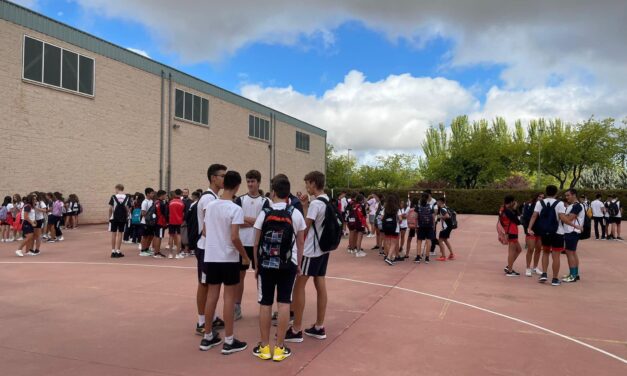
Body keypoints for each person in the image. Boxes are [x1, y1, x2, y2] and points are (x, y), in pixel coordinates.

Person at [252, 176, 306, 362]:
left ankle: (264, 347)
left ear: (273, 192)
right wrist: (298, 264)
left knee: (265, 304)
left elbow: (256, 242)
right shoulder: (295, 213)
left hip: (266, 265)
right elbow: (300, 242)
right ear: (288, 193)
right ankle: (280, 348)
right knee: (284, 303)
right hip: (287, 264)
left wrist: (257, 264)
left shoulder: (264, 212)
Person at [199, 170, 249, 355]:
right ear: (237, 186)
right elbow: (235, 237)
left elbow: (204, 231)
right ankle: (229, 340)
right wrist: (245, 255)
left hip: (211, 256)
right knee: (229, 297)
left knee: (212, 295)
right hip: (228, 258)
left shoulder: (211, 205)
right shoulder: (235, 208)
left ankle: (208, 336)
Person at [286, 171, 330, 343]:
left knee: (298, 286)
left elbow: (304, 227)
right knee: (320, 284)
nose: (306, 187)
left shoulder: (316, 204)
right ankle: (319, 326)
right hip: (323, 250)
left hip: (311, 250)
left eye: (307, 184)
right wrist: (305, 206)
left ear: (313, 183)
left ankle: (296, 329)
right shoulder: (327, 200)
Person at [195, 164, 227, 337]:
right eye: (222, 175)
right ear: (213, 178)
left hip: (212, 249)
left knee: (212, 284)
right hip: (206, 249)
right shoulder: (208, 199)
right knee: (204, 285)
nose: (224, 179)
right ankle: (201, 322)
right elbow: (208, 228)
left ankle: (211, 317)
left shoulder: (215, 197)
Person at [234, 170, 270, 321]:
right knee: (239, 277)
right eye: (248, 181)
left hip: (258, 244)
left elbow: (265, 223)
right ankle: (237, 307)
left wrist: (246, 219)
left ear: (259, 182)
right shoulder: (240, 200)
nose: (250, 184)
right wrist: (254, 221)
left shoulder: (265, 201)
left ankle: (263, 307)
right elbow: (236, 223)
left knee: (260, 276)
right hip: (242, 245)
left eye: (253, 181)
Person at [528, 185, 566, 286]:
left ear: (546, 192)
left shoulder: (540, 203)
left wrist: (529, 228)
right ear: (556, 193)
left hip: (544, 231)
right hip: (557, 232)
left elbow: (534, 215)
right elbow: (562, 217)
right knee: (556, 255)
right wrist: (573, 224)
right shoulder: (560, 203)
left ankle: (544, 274)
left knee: (545, 252)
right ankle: (554, 279)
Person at [561, 189, 584, 283]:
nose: (567, 197)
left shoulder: (577, 206)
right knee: (573, 253)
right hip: (572, 231)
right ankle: (575, 274)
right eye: (566, 196)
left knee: (569, 253)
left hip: (572, 231)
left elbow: (569, 218)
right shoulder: (573, 205)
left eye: (568, 195)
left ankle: (573, 275)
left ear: (574, 195)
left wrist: (561, 216)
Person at [499, 195, 522, 276]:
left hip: (510, 231)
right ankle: (510, 271)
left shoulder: (503, 209)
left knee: (519, 249)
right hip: (511, 231)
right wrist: (515, 209)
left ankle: (509, 266)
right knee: (511, 252)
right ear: (512, 202)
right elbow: (518, 221)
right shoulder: (508, 211)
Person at [522, 193, 543, 276]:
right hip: (531, 230)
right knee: (530, 249)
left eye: (542, 197)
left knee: (538, 249)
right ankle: (528, 268)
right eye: (539, 196)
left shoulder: (544, 206)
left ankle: (535, 267)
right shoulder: (529, 205)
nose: (541, 198)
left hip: (540, 231)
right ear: (536, 197)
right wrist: (528, 228)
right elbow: (526, 217)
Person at [108, 184, 130, 258]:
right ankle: (118, 251)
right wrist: (127, 216)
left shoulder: (113, 197)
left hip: (114, 218)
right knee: (120, 233)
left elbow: (110, 209)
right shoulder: (127, 197)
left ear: (117, 189)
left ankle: (113, 251)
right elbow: (127, 209)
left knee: (113, 234)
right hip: (122, 218)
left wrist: (109, 217)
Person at [414, 193, 434, 264]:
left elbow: (415, 217)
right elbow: (433, 217)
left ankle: (418, 257)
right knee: (428, 241)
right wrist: (433, 226)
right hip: (429, 226)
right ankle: (427, 258)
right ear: (428, 198)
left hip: (421, 226)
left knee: (419, 241)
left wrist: (416, 226)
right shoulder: (431, 206)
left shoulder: (418, 206)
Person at [381, 194, 401, 265]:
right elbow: (400, 219)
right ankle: (389, 257)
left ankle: (390, 256)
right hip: (395, 227)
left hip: (386, 226)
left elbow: (381, 218)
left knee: (387, 241)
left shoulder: (384, 209)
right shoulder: (397, 209)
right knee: (394, 242)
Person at [168, 189, 186, 259]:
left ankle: (170, 254)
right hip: (179, 221)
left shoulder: (171, 202)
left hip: (171, 221)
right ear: (181, 194)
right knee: (178, 236)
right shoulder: (182, 203)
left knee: (171, 236)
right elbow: (184, 213)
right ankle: (177, 254)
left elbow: (168, 212)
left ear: (175, 194)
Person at [151, 190, 169, 259]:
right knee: (159, 237)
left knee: (156, 236)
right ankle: (157, 252)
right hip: (160, 222)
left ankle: (156, 251)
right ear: (162, 195)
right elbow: (165, 214)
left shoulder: (155, 202)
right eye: (165, 195)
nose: (165, 196)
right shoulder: (162, 203)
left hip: (156, 221)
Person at [139, 188, 156, 256]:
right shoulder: (144, 202)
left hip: (151, 223)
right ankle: (142, 251)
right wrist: (151, 216)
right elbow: (143, 213)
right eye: (152, 193)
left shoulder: (152, 201)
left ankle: (147, 249)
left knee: (151, 236)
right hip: (145, 222)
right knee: (145, 237)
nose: (153, 194)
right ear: (148, 194)